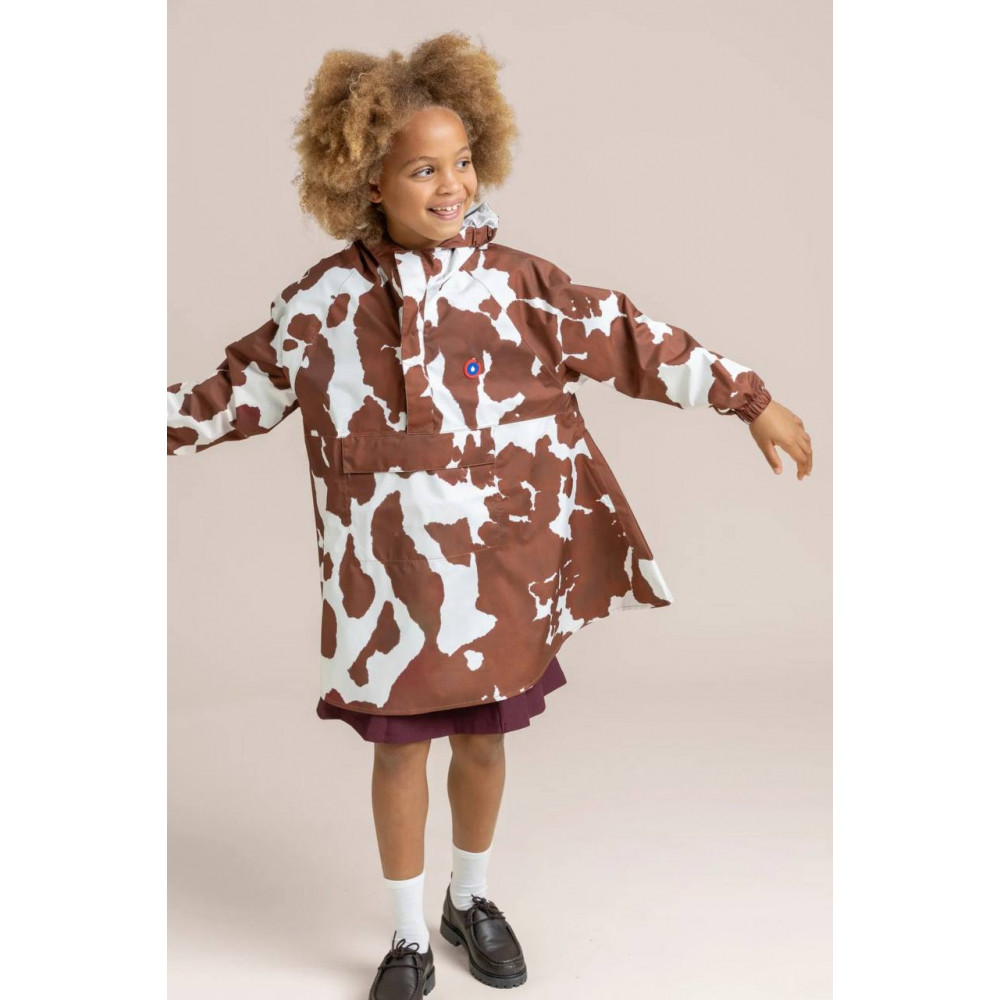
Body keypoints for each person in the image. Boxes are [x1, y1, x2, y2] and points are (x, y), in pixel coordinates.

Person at [167, 30, 813, 999]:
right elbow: (229, 395)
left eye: (462, 161)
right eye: (423, 169)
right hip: (384, 594)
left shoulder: (517, 287)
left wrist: (747, 399)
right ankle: (406, 938)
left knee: (481, 741)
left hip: (493, 577)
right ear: (367, 180)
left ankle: (468, 899)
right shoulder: (320, 308)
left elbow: (629, 338)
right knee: (398, 760)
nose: (452, 185)